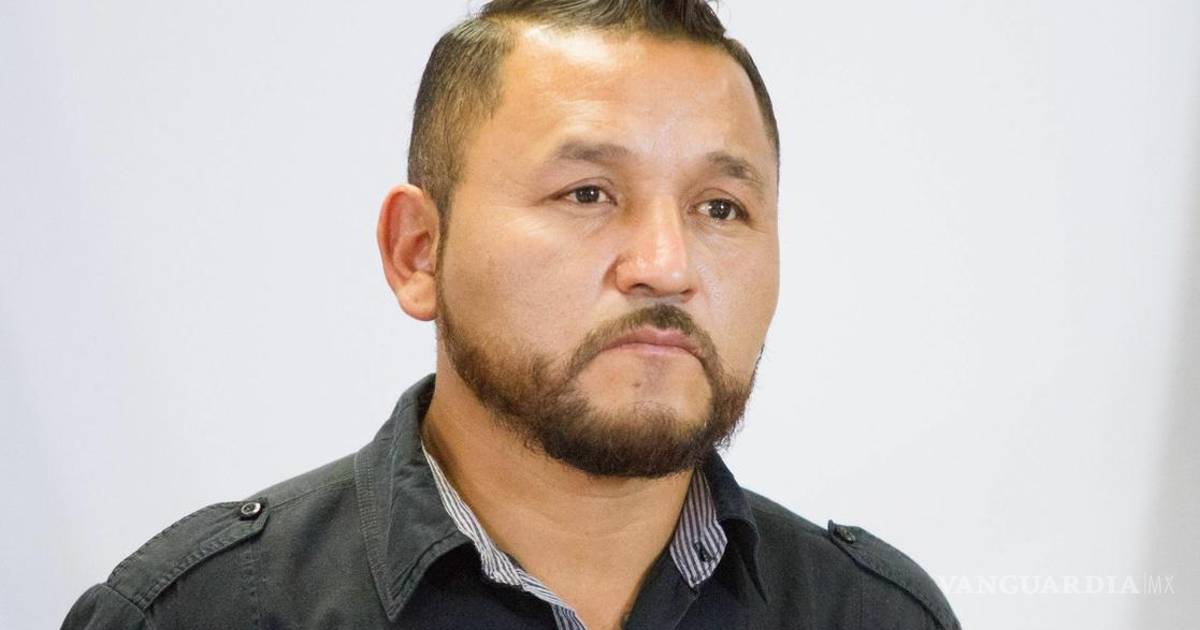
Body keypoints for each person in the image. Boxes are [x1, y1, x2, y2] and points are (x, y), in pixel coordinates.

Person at [61, 1, 960, 628]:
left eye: (720, 208)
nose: (667, 266)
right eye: (587, 193)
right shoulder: (197, 615)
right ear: (419, 252)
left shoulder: (874, 615)